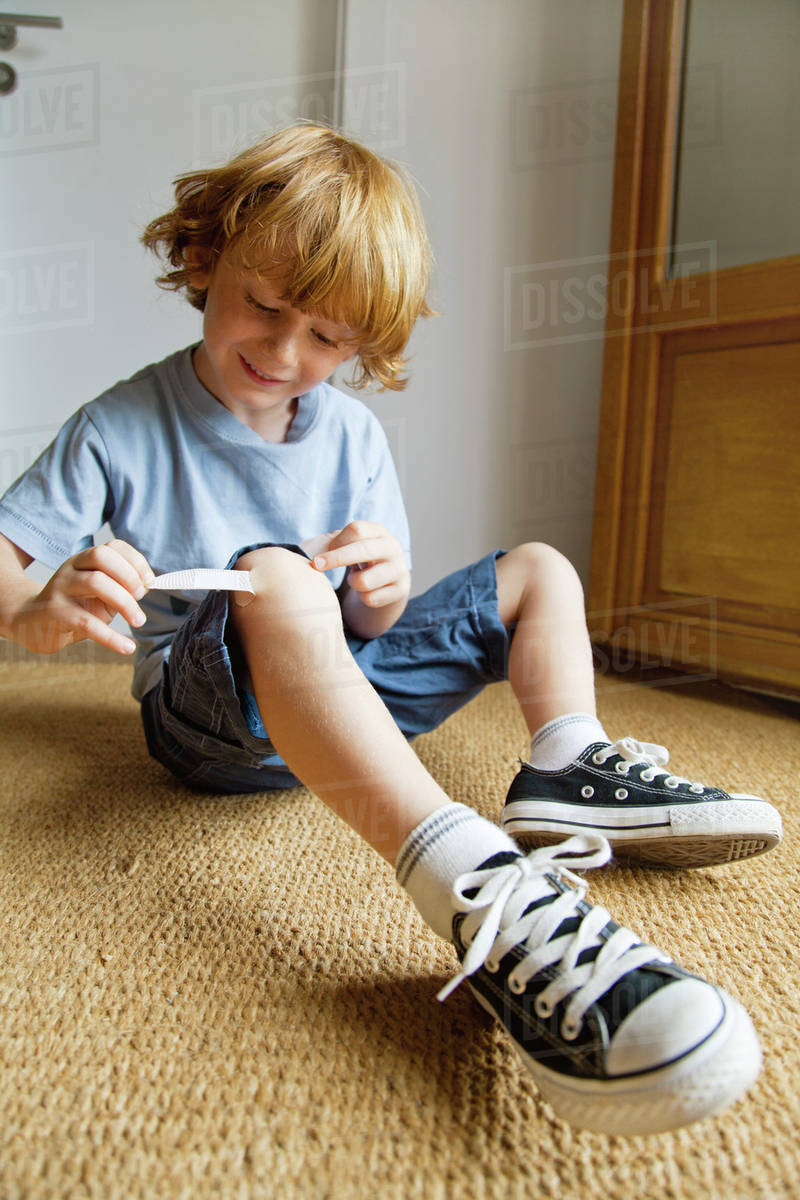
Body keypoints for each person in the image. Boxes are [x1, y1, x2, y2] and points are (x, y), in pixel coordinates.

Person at [0, 123, 781, 1137]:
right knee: (274, 575)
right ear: (203, 259)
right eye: (262, 307)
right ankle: (475, 886)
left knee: (539, 567)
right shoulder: (118, 426)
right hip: (213, 724)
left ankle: (568, 764)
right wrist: (31, 611)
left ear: (363, 345)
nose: (286, 354)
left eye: (327, 339)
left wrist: (383, 588)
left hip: (342, 682)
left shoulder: (354, 434)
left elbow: (374, 621)